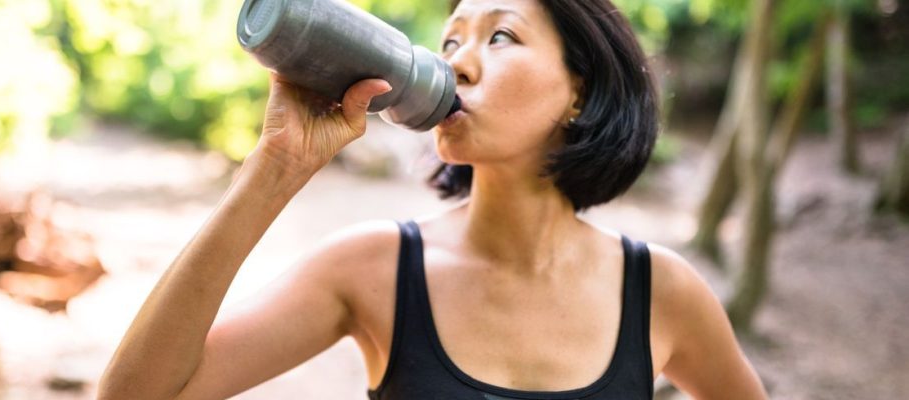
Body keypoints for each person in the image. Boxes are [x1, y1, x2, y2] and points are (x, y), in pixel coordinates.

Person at [98, 0, 769, 398]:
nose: (457, 63)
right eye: (449, 42)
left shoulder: (661, 292)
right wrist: (275, 167)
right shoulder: (374, 269)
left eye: (499, 36)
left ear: (580, 92)